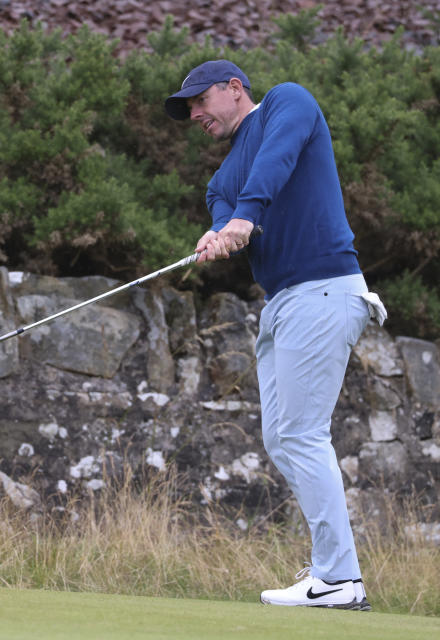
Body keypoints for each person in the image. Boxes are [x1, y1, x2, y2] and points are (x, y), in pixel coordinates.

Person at [164, 59, 386, 611]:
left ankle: (339, 579)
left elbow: (276, 160)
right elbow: (222, 201)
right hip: (285, 303)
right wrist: (219, 230)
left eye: (199, 101)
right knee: (283, 438)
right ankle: (336, 574)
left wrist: (246, 217)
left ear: (235, 89)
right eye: (186, 108)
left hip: (325, 290)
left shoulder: (289, 102)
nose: (193, 114)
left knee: (303, 435)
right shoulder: (225, 175)